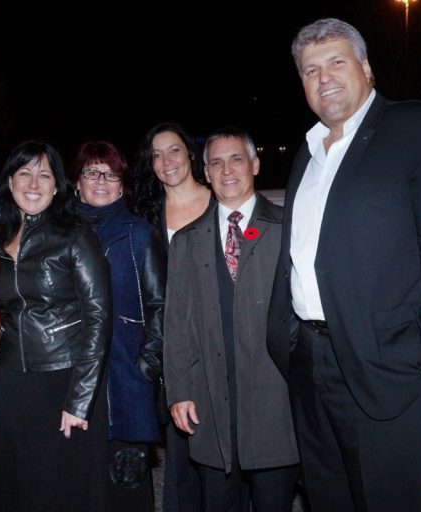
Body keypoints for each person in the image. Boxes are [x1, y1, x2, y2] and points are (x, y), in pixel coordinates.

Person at [267, 18, 421, 512]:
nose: (324, 77)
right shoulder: (308, 153)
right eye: (310, 70)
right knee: (327, 499)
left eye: (336, 62)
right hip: (309, 362)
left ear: (366, 68)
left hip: (383, 366)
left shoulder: (420, 127)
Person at [0, 140, 112, 512]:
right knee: (21, 487)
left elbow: (99, 318)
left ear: (56, 185)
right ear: (10, 182)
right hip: (12, 382)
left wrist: (80, 400)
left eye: (44, 175)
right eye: (24, 174)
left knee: (62, 490)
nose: (34, 184)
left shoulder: (75, 233)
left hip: (64, 379)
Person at [165, 128, 299, 512]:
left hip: (276, 404)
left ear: (254, 164)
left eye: (236, 159)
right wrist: (179, 392)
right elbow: (175, 324)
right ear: (206, 172)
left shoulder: (288, 228)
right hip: (211, 403)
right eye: (216, 162)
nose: (227, 170)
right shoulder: (187, 241)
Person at [72, 141, 167, 511]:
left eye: (111, 175)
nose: (101, 181)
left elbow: (161, 305)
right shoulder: (59, 232)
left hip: (125, 378)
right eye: (92, 172)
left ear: (122, 185)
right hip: (69, 378)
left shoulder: (139, 234)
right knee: (79, 487)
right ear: (77, 182)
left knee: (127, 489)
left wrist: (147, 365)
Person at [133, 122, 211, 512]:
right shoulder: (146, 215)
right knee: (181, 459)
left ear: (190, 154)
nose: (166, 161)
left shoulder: (221, 200)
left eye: (174, 150)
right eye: (157, 155)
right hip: (173, 349)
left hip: (218, 340)